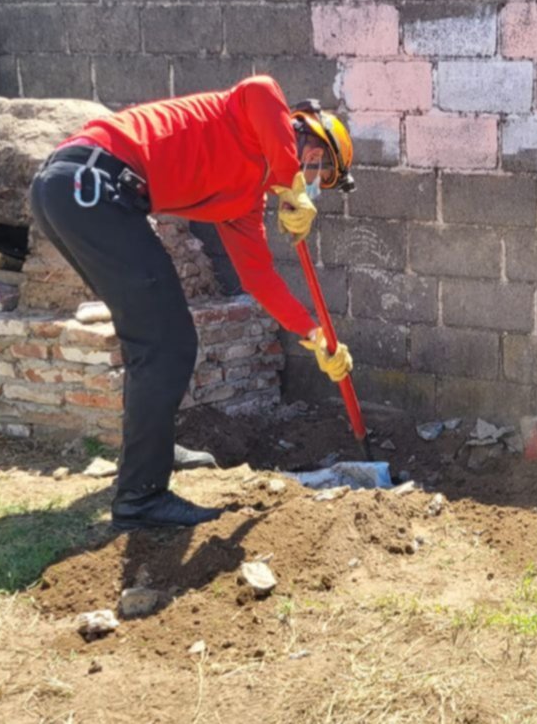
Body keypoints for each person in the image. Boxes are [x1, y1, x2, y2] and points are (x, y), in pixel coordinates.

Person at [29, 76, 356, 531]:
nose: (313, 176)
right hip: (91, 185)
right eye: (316, 160)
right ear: (298, 129)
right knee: (167, 342)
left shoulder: (241, 202)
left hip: (76, 192)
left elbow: (259, 279)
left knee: (151, 338)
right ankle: (141, 499)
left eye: (322, 176)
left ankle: (153, 452)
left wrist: (315, 335)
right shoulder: (251, 117)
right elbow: (260, 89)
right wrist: (289, 180)